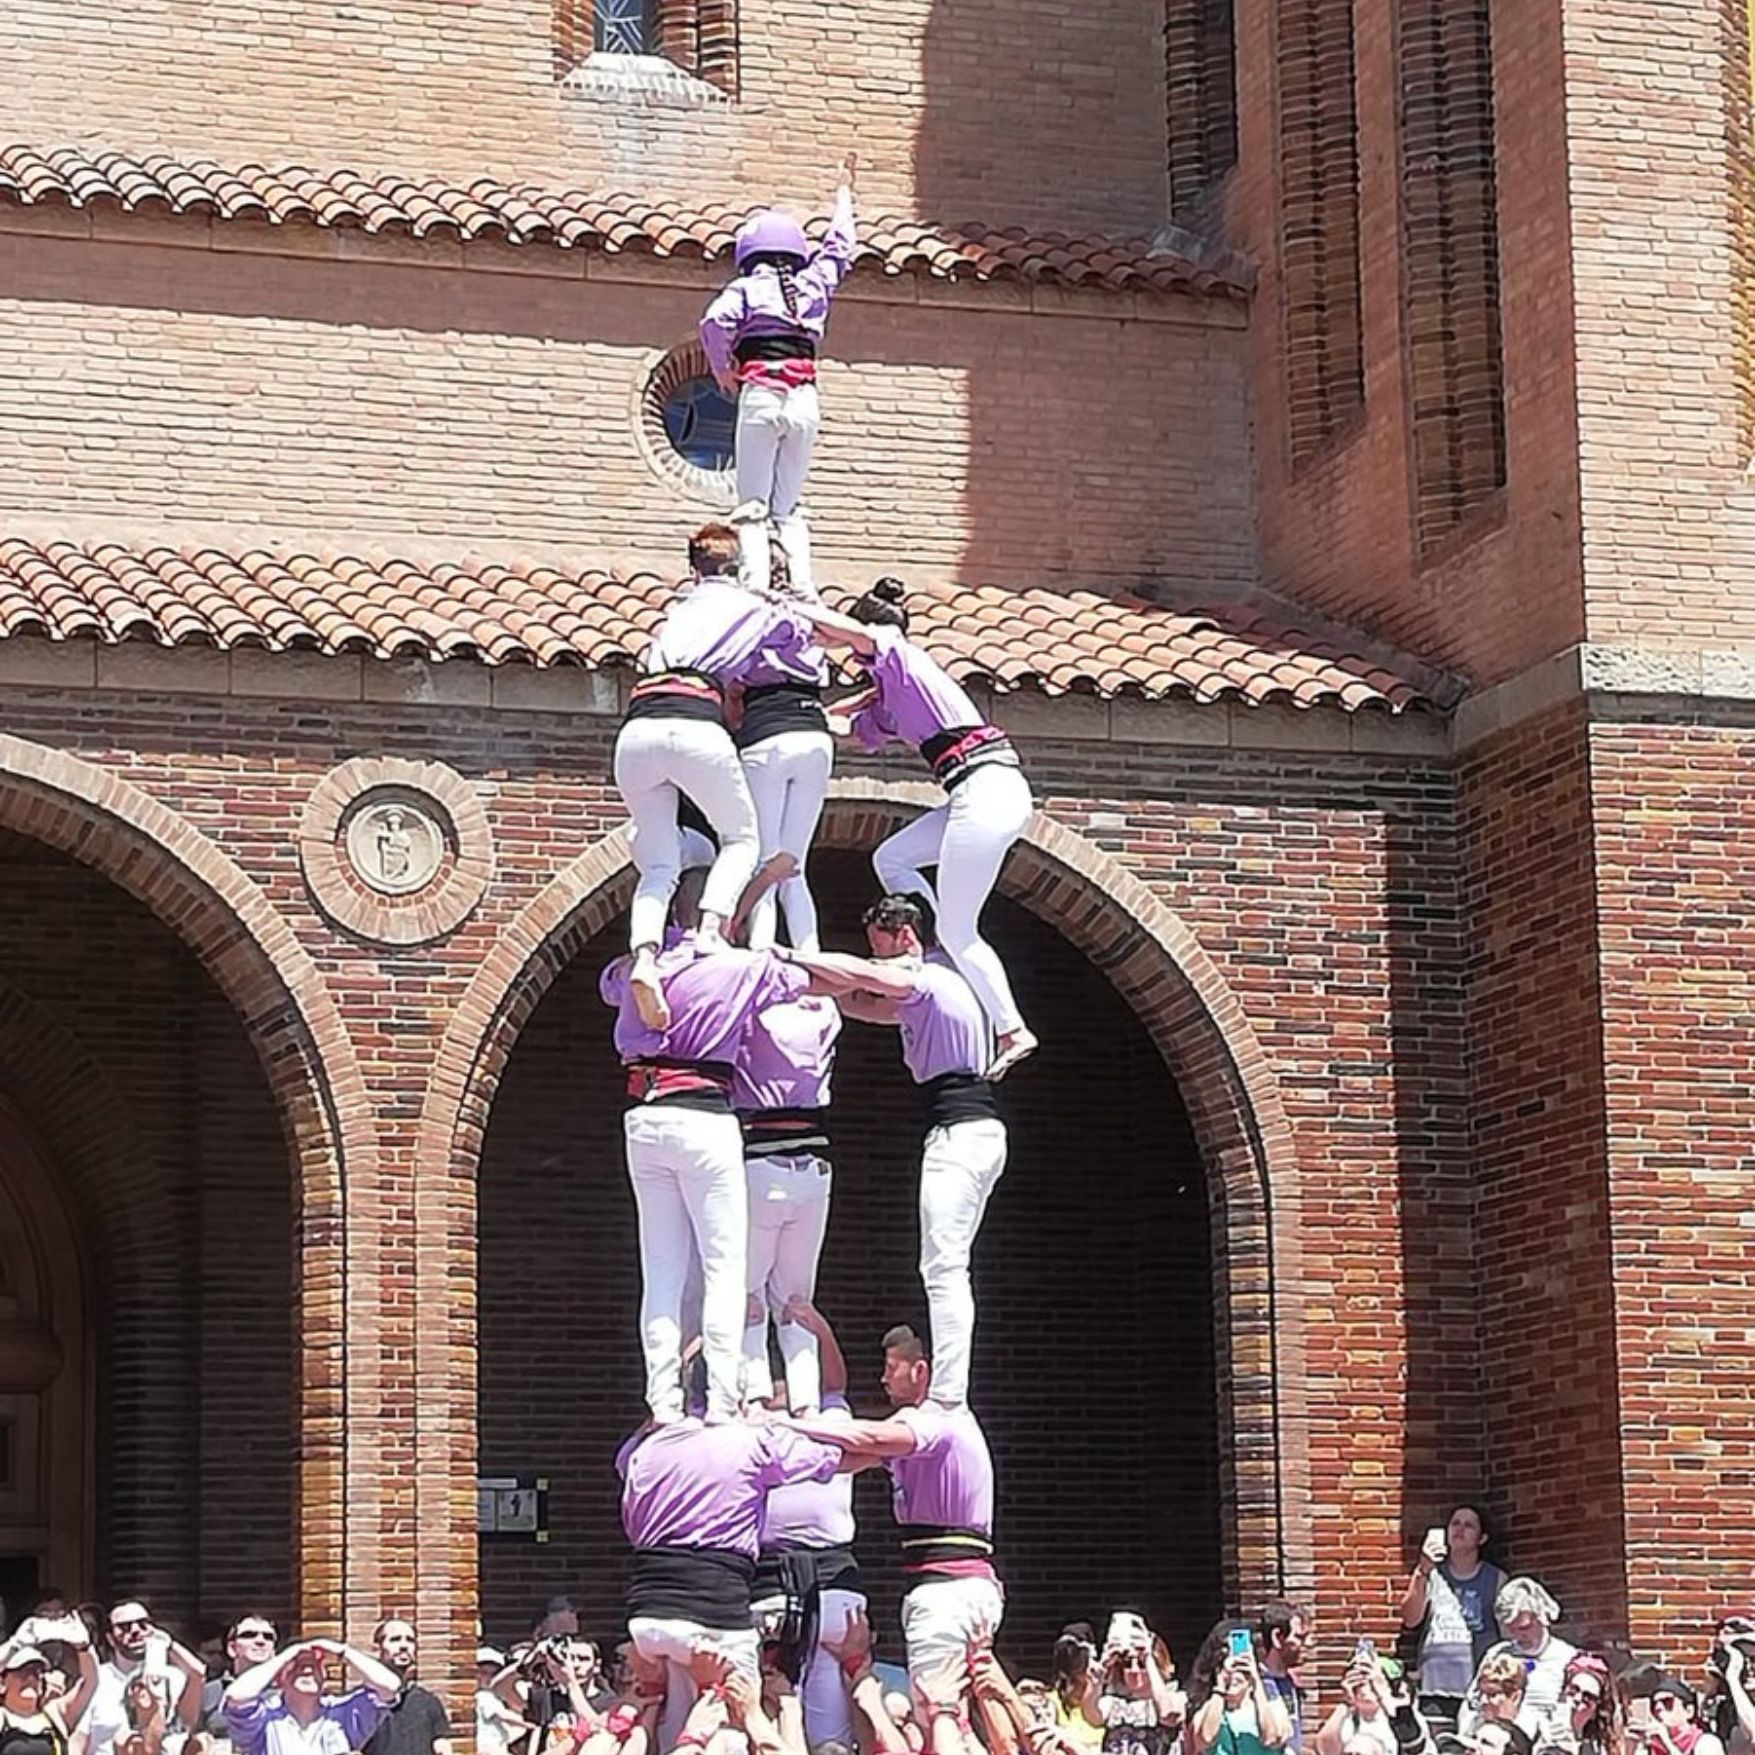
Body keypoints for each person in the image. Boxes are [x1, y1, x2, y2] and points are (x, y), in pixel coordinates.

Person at [601, 865, 816, 1424]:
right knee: (724, 1267)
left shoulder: (641, 967)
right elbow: (805, 979)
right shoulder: (738, 966)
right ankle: (723, 1399)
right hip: (705, 1114)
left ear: (673, 914)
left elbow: (609, 982)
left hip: (645, 1114)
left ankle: (663, 1401)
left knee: (663, 1271)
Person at [797, 578, 1037, 1077]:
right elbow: (850, 730)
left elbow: (866, 638)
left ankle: (1012, 1028)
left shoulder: (904, 658)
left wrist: (799, 609)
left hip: (987, 788)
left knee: (960, 927)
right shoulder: (892, 694)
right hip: (975, 792)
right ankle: (926, 947)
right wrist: (805, 713)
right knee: (892, 858)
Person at [783, 894, 1007, 1410]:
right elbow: (861, 1001)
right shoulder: (941, 984)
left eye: (881, 953)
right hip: (971, 1131)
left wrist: (788, 958)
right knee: (946, 1265)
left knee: (944, 1267)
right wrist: (817, 987)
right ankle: (951, 1388)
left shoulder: (926, 977)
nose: (877, 964)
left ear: (907, 938)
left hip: (960, 1132)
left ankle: (949, 1393)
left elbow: (863, 978)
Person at [613, 523, 815, 1029]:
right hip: (693, 722)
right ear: (740, 566)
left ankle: (644, 958)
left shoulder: (679, 608)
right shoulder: (752, 604)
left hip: (636, 730)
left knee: (660, 867)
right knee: (742, 839)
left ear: (694, 567)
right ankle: (708, 929)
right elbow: (800, 636)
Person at [616, 1412, 844, 1745]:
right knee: (734, 1731)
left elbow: (626, 1484)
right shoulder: (749, 1439)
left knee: (679, 1727)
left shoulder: (646, 1448)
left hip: (649, 1617)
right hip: (715, 1617)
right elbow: (834, 1455)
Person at [793, 1323, 1001, 1687]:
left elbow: (868, 1435)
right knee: (961, 1705)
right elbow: (847, 1458)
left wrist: (788, 1424)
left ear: (919, 1371)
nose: (884, 1379)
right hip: (947, 1584)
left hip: (949, 1588)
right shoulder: (909, 1435)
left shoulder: (936, 1421)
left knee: (939, 1710)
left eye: (891, 1368)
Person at [699, 158, 858, 600]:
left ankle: (756, 583)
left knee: (752, 504)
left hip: (761, 397)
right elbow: (841, 245)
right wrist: (845, 194)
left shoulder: (746, 290)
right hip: (805, 401)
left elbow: (714, 323)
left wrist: (722, 369)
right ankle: (804, 585)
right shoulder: (815, 282)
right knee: (788, 504)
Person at [751, 1298, 866, 1748]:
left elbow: (688, 1398)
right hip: (828, 1586)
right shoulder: (830, 1422)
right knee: (830, 1735)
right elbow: (837, 1381)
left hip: (774, 1587)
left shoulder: (749, 1427)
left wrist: (714, 1336)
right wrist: (818, 1326)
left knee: (772, 1717)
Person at [735, 987, 842, 1413]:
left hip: (761, 1169)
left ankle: (756, 1396)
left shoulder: (751, 1019)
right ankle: (805, 1400)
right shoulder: (824, 1015)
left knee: (747, 1291)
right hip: (814, 1173)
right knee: (797, 1297)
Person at [1402, 1509, 1505, 1730]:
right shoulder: (1431, 1574)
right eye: (1455, 1523)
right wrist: (1422, 1570)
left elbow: (1507, 1635)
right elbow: (1411, 1619)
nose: (1459, 1529)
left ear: (1482, 1538)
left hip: (1478, 1689)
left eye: (1468, 1525)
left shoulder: (1496, 1578)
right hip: (1435, 1687)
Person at [222, 1637, 400, 1755]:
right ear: (279, 1677)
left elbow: (390, 1686)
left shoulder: (344, 1713)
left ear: (325, 1677)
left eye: (314, 1665)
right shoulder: (265, 1719)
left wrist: (343, 1652)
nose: (307, 1670)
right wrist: (287, 1655)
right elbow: (236, 1696)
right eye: (298, 1665)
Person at [81, 1605, 204, 1755]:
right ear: (110, 1638)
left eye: (142, 1624)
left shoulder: (175, 1678)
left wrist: (169, 1643)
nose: (135, 1630)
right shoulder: (95, 1680)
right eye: (124, 1627)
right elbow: (79, 1738)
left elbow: (198, 1674)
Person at [1461, 1581, 1574, 1740]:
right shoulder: (1497, 1655)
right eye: (1511, 1629)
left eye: (1524, 1627)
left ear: (1541, 1617)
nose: (1518, 1636)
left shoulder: (1566, 1659)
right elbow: (1471, 1706)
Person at [1186, 1623, 1292, 1755]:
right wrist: (1221, 1685)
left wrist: (1256, 1681)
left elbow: (1271, 1738)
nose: (1234, 1675)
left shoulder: (1274, 1705)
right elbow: (1205, 1738)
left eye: (1241, 1668)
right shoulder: (1207, 1708)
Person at [0, 1613, 100, 1755]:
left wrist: (83, 1647)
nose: (31, 1678)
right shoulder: (2, 1718)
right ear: (2, 1682)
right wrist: (15, 1644)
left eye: (37, 1671)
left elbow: (90, 1682)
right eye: (22, 1671)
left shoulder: (55, 1715)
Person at [1095, 1614, 1185, 1755]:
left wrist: (1148, 1658)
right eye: (1127, 1664)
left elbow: (1168, 1714)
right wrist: (1102, 1667)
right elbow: (1091, 1716)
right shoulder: (1112, 1703)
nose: (1134, 1670)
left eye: (1141, 1665)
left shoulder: (1176, 1697)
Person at [360, 1622, 450, 1755]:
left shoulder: (429, 1702)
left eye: (410, 1640)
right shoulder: (360, 1702)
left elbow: (442, 1747)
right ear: (377, 1649)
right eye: (395, 1639)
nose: (404, 1646)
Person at [1533, 1653, 1618, 1755]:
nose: (1577, 1699)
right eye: (1573, 1690)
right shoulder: (1539, 1732)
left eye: (1587, 1697)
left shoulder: (1597, 1749)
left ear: (1594, 1712)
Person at [1256, 1605, 1310, 1753]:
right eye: (1299, 1637)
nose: (1308, 1644)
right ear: (1277, 1637)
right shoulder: (1255, 1686)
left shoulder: (1291, 1683)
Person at [1641, 1680, 1725, 1755]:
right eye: (1653, 1704)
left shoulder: (1707, 1743)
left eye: (1667, 1702)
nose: (1658, 1708)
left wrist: (1668, 1745)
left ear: (1688, 1711)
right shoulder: (1651, 1746)